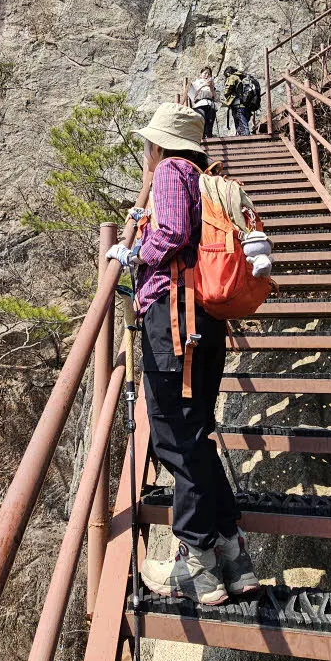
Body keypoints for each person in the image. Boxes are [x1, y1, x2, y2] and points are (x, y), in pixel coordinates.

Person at [107, 103, 259, 605]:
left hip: (175, 322)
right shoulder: (201, 176)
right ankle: (232, 554)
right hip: (204, 324)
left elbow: (172, 234)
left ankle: (196, 562)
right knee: (195, 435)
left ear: (161, 146)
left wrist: (133, 253)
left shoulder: (171, 171)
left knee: (176, 439)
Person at [188, 65, 217, 138]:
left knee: (210, 123)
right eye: (205, 73)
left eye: (209, 74)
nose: (207, 75)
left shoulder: (212, 85)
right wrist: (203, 85)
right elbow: (193, 95)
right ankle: (201, 139)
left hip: (210, 104)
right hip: (199, 104)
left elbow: (215, 97)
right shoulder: (196, 83)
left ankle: (209, 140)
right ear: (201, 74)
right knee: (201, 121)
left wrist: (211, 87)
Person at [222, 66, 250, 135]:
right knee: (243, 124)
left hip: (238, 104)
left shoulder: (233, 77)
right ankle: (245, 140)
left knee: (242, 126)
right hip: (245, 104)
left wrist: (227, 96)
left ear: (228, 73)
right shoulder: (241, 77)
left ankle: (247, 141)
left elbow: (227, 91)